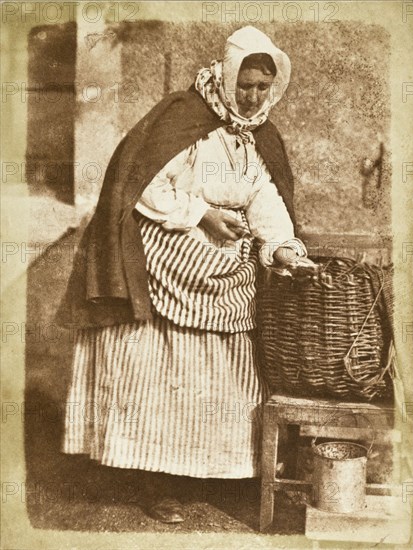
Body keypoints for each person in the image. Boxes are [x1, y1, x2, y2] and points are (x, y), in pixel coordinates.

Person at [58, 26, 313, 524]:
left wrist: (282, 247)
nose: (253, 95)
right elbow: (144, 183)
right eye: (246, 83)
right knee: (162, 375)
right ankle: (155, 483)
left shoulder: (257, 135)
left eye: (263, 86)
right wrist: (201, 215)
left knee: (218, 379)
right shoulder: (184, 117)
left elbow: (266, 202)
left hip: (224, 265)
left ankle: (209, 473)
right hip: (167, 254)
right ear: (227, 74)